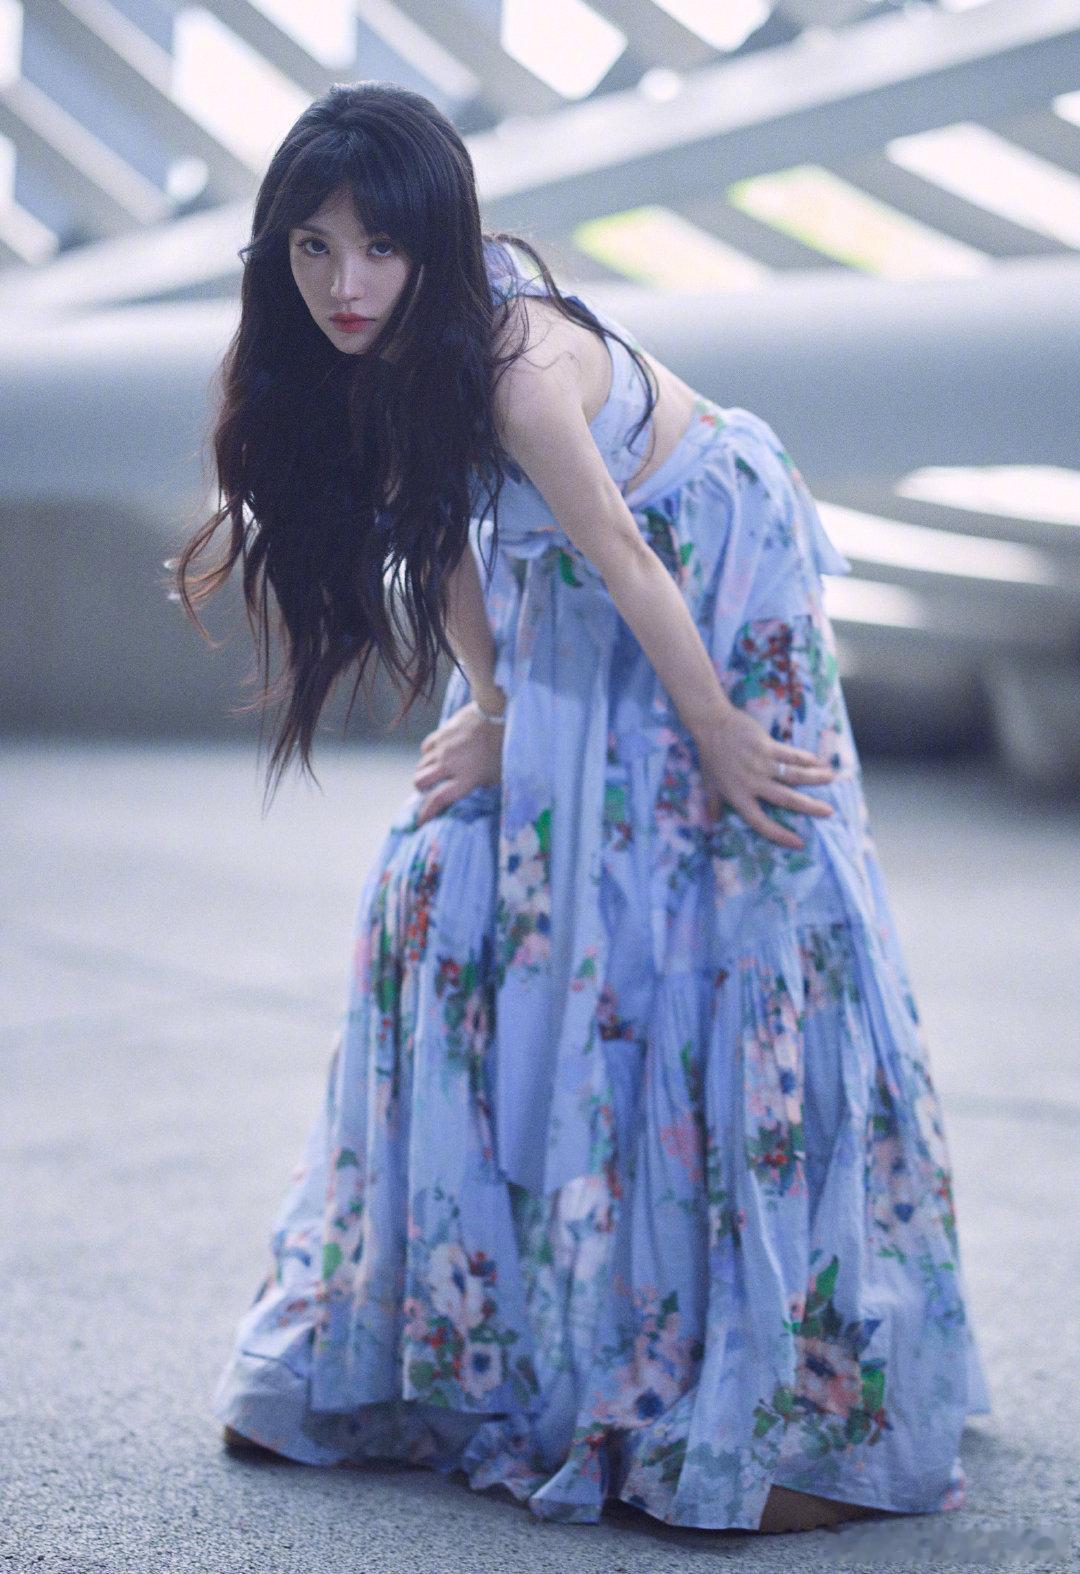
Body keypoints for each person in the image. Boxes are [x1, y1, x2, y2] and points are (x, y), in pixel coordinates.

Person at [174, 80, 991, 1535]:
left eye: (377, 247)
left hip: (705, 562)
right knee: (449, 873)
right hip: (563, 581)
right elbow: (444, 545)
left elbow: (624, 547)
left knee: (744, 890)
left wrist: (721, 734)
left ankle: (788, 1372)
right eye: (312, 247)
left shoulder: (516, 369)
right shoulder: (361, 351)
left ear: (433, 241)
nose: (344, 283)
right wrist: (496, 715)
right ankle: (458, 1339)